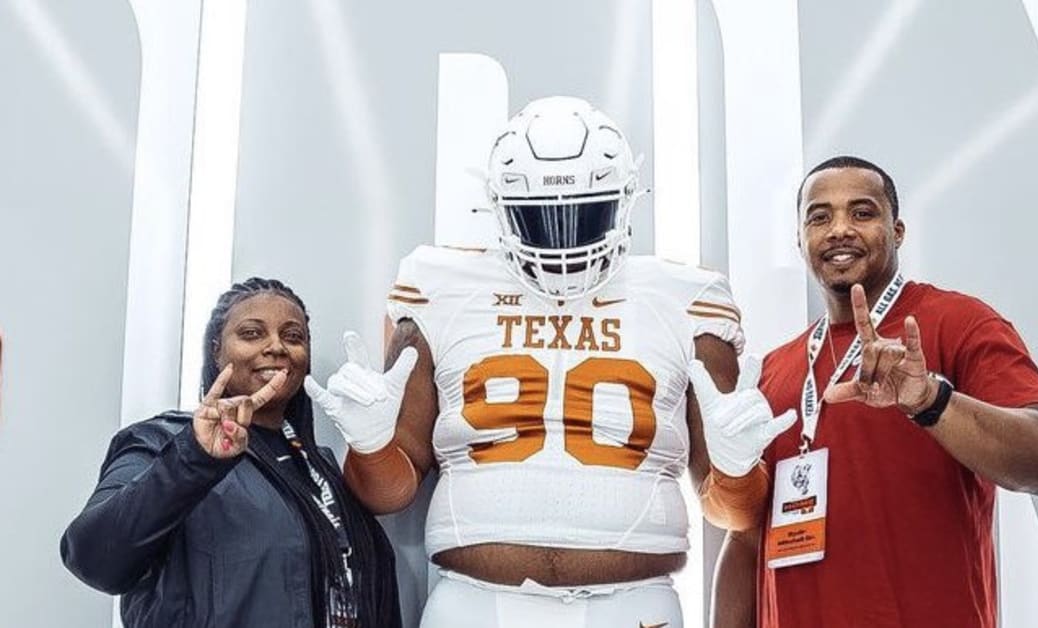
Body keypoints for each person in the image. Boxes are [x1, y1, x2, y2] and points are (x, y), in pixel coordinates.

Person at [305, 96, 795, 628]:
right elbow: (389, 494)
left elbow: (733, 513)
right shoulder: (440, 286)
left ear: (624, 200)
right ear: (499, 207)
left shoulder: (685, 298)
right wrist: (371, 446)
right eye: (539, 218)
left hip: (635, 605)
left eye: (585, 212)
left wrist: (739, 471)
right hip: (474, 602)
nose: (562, 239)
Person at [712, 156, 1038, 628]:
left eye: (862, 212)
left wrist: (931, 402)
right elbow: (745, 542)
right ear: (800, 241)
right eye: (819, 217)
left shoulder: (958, 323)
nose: (840, 229)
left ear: (898, 230)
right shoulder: (774, 370)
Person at [61, 277, 401, 627]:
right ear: (215, 350)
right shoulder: (161, 440)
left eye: (293, 336)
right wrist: (194, 458)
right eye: (252, 333)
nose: (277, 347)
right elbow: (93, 559)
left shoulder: (321, 466)